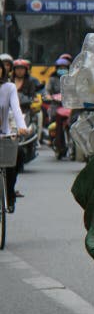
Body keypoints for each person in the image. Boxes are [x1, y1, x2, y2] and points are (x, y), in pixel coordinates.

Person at [0, 60, 30, 213]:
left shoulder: (9, 88)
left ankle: (10, 194)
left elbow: (16, 109)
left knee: (18, 155)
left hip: (4, 136)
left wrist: (22, 127)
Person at [46, 57, 72, 155]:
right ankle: (52, 137)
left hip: (69, 105)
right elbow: (47, 91)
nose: (62, 69)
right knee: (53, 118)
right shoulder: (52, 79)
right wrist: (49, 96)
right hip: (56, 105)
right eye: (60, 67)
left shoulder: (71, 79)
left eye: (64, 67)